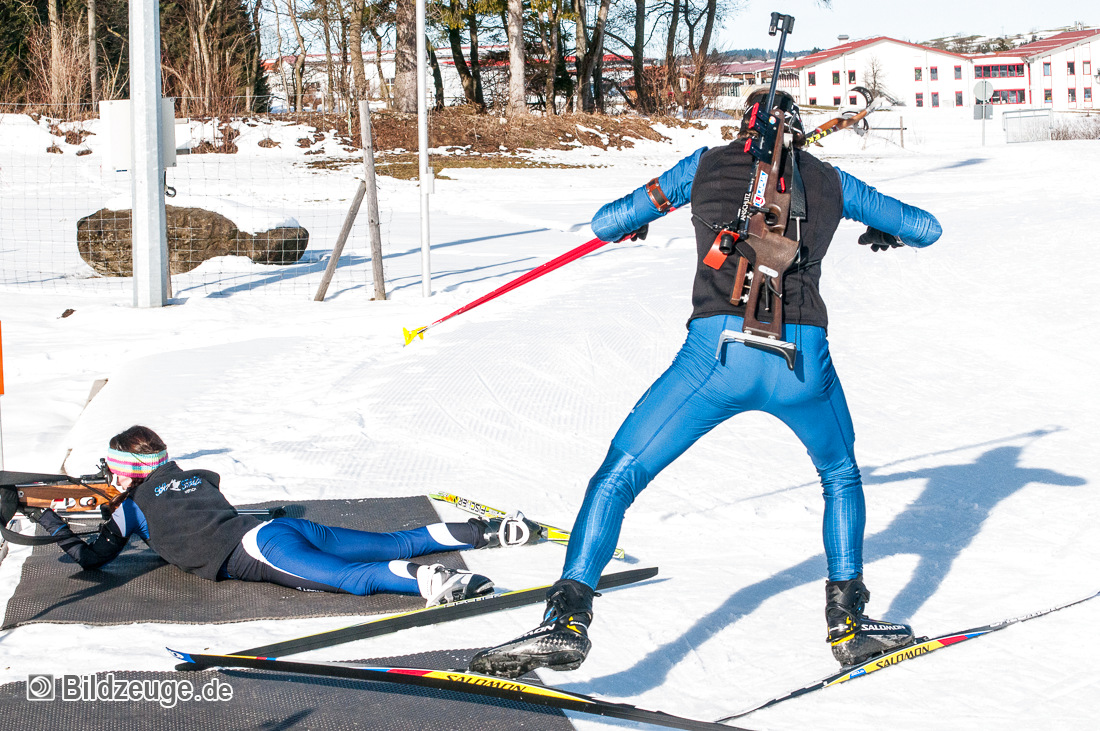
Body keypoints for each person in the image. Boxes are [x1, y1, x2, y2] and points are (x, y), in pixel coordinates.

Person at [469, 88, 942, 678]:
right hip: (802, 363)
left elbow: (605, 222)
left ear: (739, 126)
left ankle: (566, 621)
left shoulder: (704, 166)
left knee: (617, 477)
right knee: (840, 476)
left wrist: (639, 222)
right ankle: (847, 623)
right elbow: (928, 227)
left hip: (716, 359)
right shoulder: (832, 181)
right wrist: (888, 231)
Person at [25, 425, 539, 606]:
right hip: (277, 529)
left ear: (125, 473)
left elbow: (92, 559)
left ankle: (432, 583)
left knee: (352, 580)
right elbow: (200, 486)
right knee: (390, 541)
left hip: (257, 550)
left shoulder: (134, 506)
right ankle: (493, 531)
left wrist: (51, 523)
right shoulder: (198, 477)